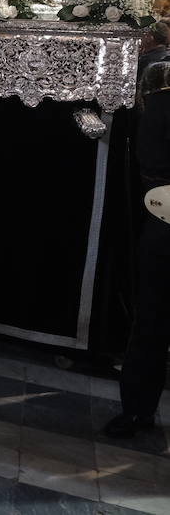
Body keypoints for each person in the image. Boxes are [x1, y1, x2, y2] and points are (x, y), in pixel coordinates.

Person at [104, 61, 170, 438]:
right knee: (151, 324)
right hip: (166, 229)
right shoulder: (162, 105)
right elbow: (152, 167)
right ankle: (138, 410)